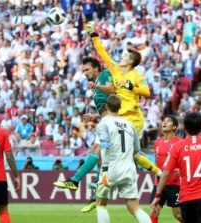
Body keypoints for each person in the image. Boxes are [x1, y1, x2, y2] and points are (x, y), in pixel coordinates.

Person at [54, 57, 162, 212]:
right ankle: (94, 196)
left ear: (96, 68)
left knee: (98, 151)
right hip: (108, 121)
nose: (85, 73)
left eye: (87, 69)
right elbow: (110, 106)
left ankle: (75, 180)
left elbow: (113, 90)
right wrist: (96, 116)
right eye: (83, 70)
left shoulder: (104, 75)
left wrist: (96, 85)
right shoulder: (98, 85)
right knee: (101, 160)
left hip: (115, 124)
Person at [151, 112, 201, 223]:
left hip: (186, 198)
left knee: (179, 216)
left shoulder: (177, 146)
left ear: (183, 127)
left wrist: (157, 195)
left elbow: (165, 173)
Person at [95, 94, 151, 223]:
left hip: (110, 168)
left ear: (106, 106)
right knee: (135, 208)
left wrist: (104, 169)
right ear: (120, 107)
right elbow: (137, 150)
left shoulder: (103, 123)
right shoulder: (130, 125)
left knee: (101, 204)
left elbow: (104, 146)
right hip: (128, 168)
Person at [149, 115, 182, 223]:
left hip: (174, 184)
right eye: (163, 121)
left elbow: (184, 162)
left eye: (168, 121)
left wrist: (181, 171)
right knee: (154, 210)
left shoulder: (179, 143)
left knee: (178, 215)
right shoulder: (157, 143)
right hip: (159, 183)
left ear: (174, 127)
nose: (164, 122)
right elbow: (156, 162)